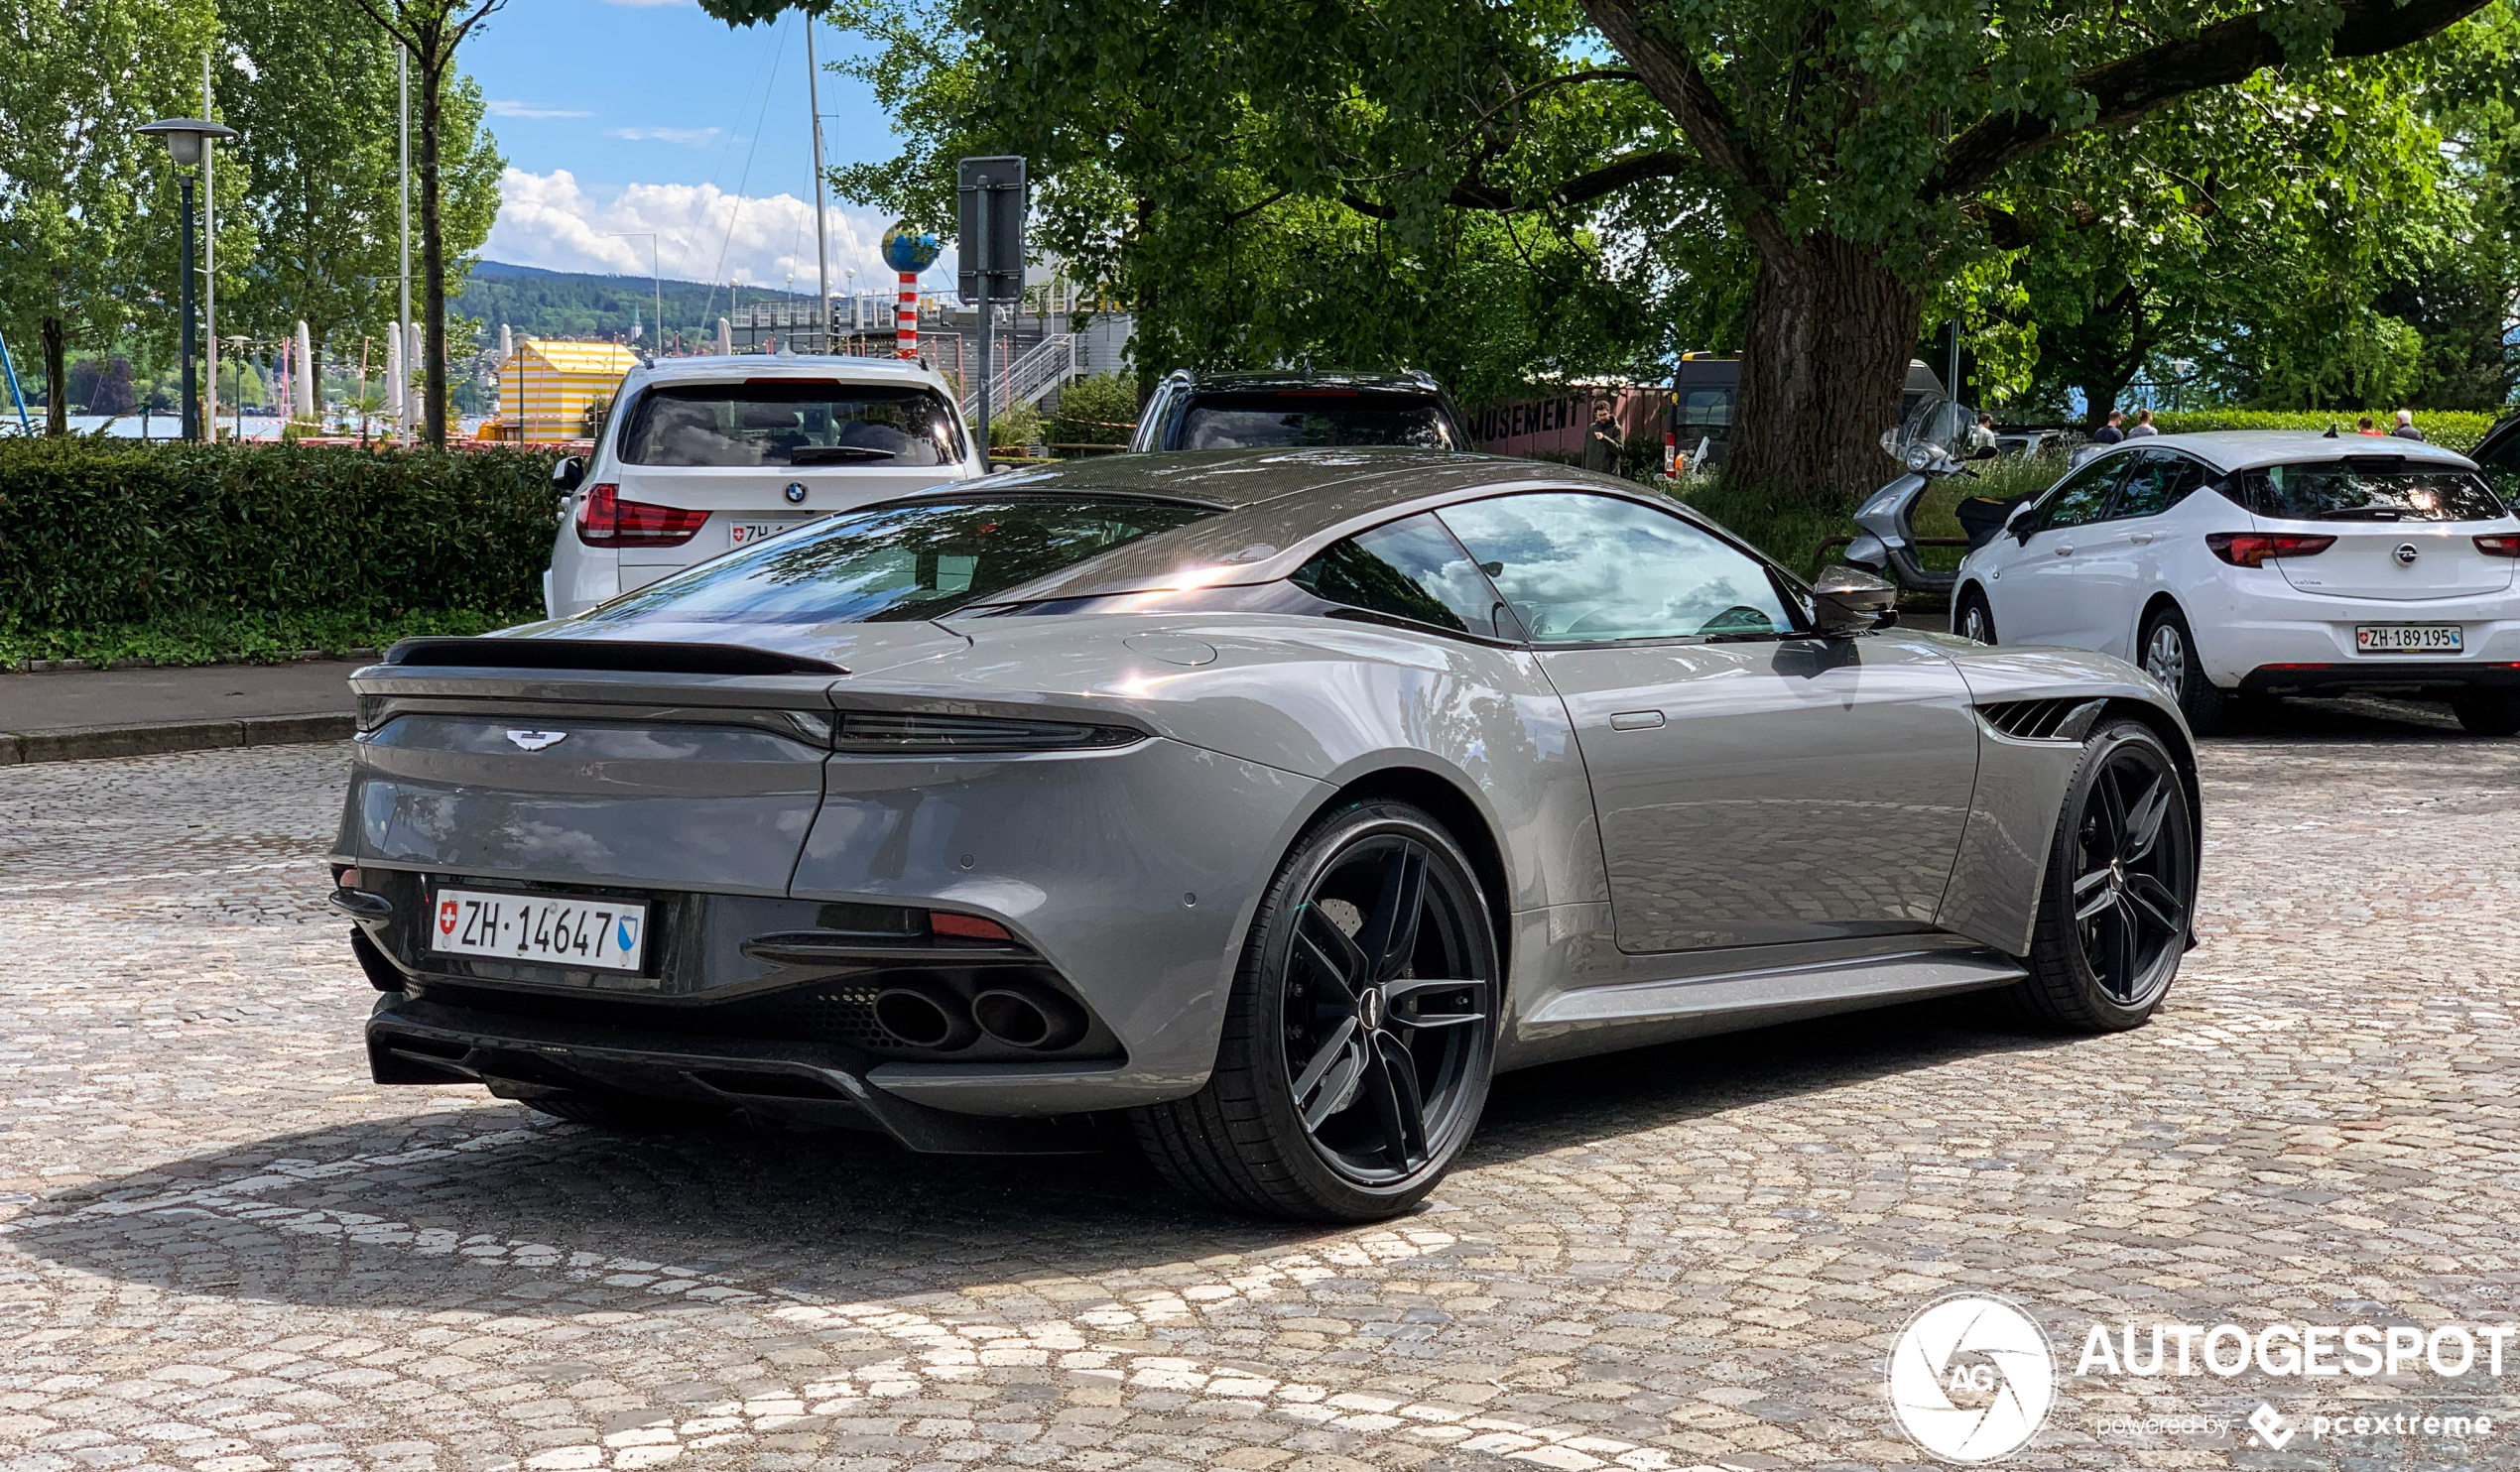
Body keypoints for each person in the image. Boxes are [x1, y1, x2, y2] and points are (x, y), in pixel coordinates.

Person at [1582, 401, 1624, 472]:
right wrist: (1583, 470)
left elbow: (1619, 450)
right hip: (1591, 473)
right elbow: (1586, 451)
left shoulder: (1616, 429)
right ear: (1596, 415)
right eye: (1600, 415)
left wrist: (1604, 439)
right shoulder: (1592, 428)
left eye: (1604, 414)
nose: (1602, 417)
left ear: (1609, 412)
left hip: (1609, 475)